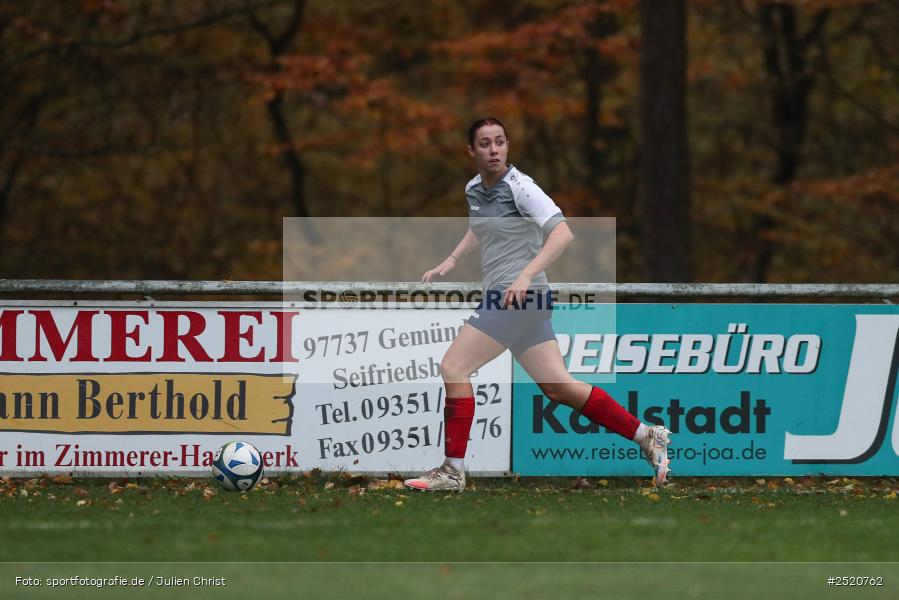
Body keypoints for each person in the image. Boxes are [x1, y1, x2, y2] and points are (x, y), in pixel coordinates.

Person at [404, 117, 671, 492]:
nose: (494, 150)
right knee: (559, 387)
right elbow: (480, 227)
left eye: (500, 142)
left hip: (518, 297)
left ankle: (452, 471)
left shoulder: (522, 188)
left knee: (454, 366)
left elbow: (563, 234)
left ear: (508, 146)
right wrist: (452, 259)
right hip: (523, 300)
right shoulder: (474, 189)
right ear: (471, 151)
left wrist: (526, 274)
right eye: (485, 143)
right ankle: (646, 435)